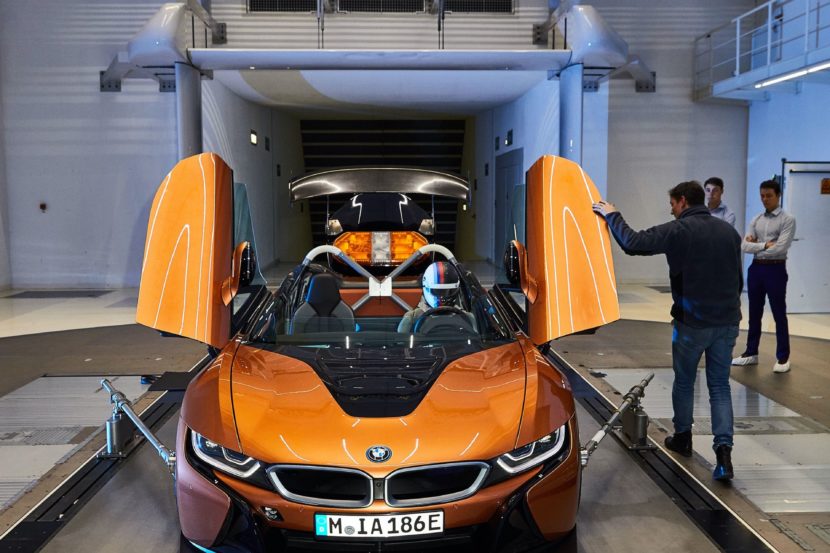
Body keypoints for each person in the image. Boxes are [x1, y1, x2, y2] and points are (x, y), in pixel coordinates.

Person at [592, 181, 742, 481]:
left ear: (683, 201)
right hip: (727, 322)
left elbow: (632, 243)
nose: (671, 209)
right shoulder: (729, 231)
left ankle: (683, 438)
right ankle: (724, 456)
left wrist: (612, 215)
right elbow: (738, 279)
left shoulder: (679, 231)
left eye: (672, 204)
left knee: (685, 382)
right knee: (720, 387)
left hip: (692, 322)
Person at [732, 179, 796, 373]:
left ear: (778, 196)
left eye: (769, 196)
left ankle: (783, 357)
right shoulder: (757, 219)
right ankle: (751, 352)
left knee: (778, 313)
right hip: (756, 269)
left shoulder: (787, 219)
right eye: (762, 196)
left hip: (775, 269)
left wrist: (758, 247)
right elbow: (744, 246)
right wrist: (764, 245)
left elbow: (780, 248)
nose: (765, 199)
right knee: (754, 313)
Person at [398, 261, 473, 333]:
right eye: (438, 291)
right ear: (426, 287)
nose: (443, 296)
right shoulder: (413, 317)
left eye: (449, 291)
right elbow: (402, 341)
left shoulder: (467, 317)